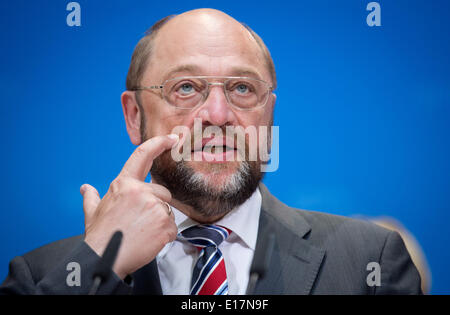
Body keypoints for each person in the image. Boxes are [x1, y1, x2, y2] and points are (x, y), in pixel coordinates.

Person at [0, 8, 422, 295]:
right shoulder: (41, 275)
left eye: (242, 88)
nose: (218, 114)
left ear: (269, 115)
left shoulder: (370, 261)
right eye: (185, 88)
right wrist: (100, 265)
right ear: (134, 116)